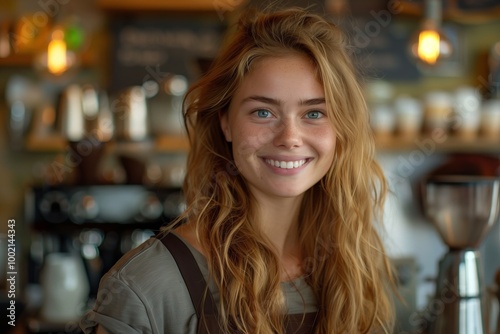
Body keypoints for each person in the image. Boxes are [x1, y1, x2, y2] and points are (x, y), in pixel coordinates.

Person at [80, 6, 396, 334]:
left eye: (314, 114)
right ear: (226, 122)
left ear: (342, 128)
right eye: (262, 112)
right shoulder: (147, 285)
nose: (289, 138)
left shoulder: (354, 263)